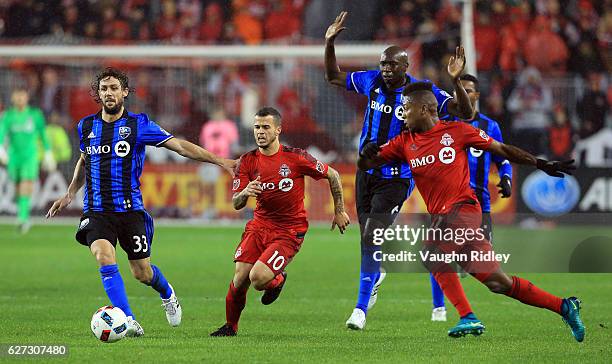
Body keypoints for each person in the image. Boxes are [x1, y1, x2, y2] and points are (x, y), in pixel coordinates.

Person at [357, 81, 584, 342]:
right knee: (499, 282)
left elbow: (501, 149)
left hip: (464, 210)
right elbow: (367, 163)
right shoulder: (403, 143)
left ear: (425, 109)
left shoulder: (457, 131)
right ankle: (565, 306)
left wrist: (541, 163)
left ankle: (467, 316)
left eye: (406, 108)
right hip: (444, 220)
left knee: (431, 253)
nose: (402, 113)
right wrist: (366, 153)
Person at [46, 68, 237, 337]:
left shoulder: (139, 125)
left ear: (124, 92)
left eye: (114, 88)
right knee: (103, 256)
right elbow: (84, 159)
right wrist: (69, 193)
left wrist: (221, 161)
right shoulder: (86, 126)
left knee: (142, 272)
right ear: (97, 94)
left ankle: (167, 292)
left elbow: (180, 146)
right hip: (97, 210)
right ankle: (128, 319)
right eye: (103, 89)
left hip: (130, 210)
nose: (108, 93)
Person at [324, 10, 474, 329]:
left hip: (397, 177)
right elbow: (333, 77)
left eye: (392, 64)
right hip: (366, 173)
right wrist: (329, 44)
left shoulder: (422, 92)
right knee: (366, 240)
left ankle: (360, 309)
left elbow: (464, 112)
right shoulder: (371, 82)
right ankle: (375, 275)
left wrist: (457, 80)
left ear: (406, 67)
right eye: (383, 63)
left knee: (371, 236)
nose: (386, 69)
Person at [210, 107, 350, 337]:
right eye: (257, 127)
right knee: (240, 278)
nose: (260, 132)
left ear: (278, 130)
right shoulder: (247, 161)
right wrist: (245, 192)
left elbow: (332, 174)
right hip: (259, 226)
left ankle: (278, 278)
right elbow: (236, 204)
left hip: (289, 231)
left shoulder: (295, 157)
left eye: (266, 127)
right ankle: (230, 327)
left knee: (257, 278)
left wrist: (339, 211)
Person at [431, 74, 514, 319]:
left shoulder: (490, 126)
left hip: (479, 201)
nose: (464, 94)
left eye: (469, 90)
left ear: (477, 95)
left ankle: (464, 266)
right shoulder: (443, 124)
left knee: (480, 259)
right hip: (447, 198)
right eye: (460, 90)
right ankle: (439, 308)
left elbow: (503, 158)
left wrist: (506, 177)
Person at [0, 88, 56, 233]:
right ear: (13, 99)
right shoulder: (8, 116)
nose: (19, 99)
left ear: (26, 98)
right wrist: (1, 150)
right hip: (14, 157)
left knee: (26, 182)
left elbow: (43, 134)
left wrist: (48, 152)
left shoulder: (34, 115)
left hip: (30, 156)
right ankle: (23, 214)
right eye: (17, 97)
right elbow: (2, 133)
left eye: (22, 96)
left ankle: (22, 218)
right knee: (18, 186)